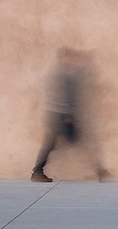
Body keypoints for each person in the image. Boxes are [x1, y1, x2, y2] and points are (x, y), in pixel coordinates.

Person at [30, 47, 110, 182]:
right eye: (71, 57)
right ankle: (100, 170)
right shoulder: (65, 74)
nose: (73, 60)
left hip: (56, 115)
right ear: (65, 58)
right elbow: (66, 97)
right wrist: (70, 117)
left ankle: (37, 171)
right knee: (84, 140)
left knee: (57, 143)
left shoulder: (57, 72)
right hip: (61, 116)